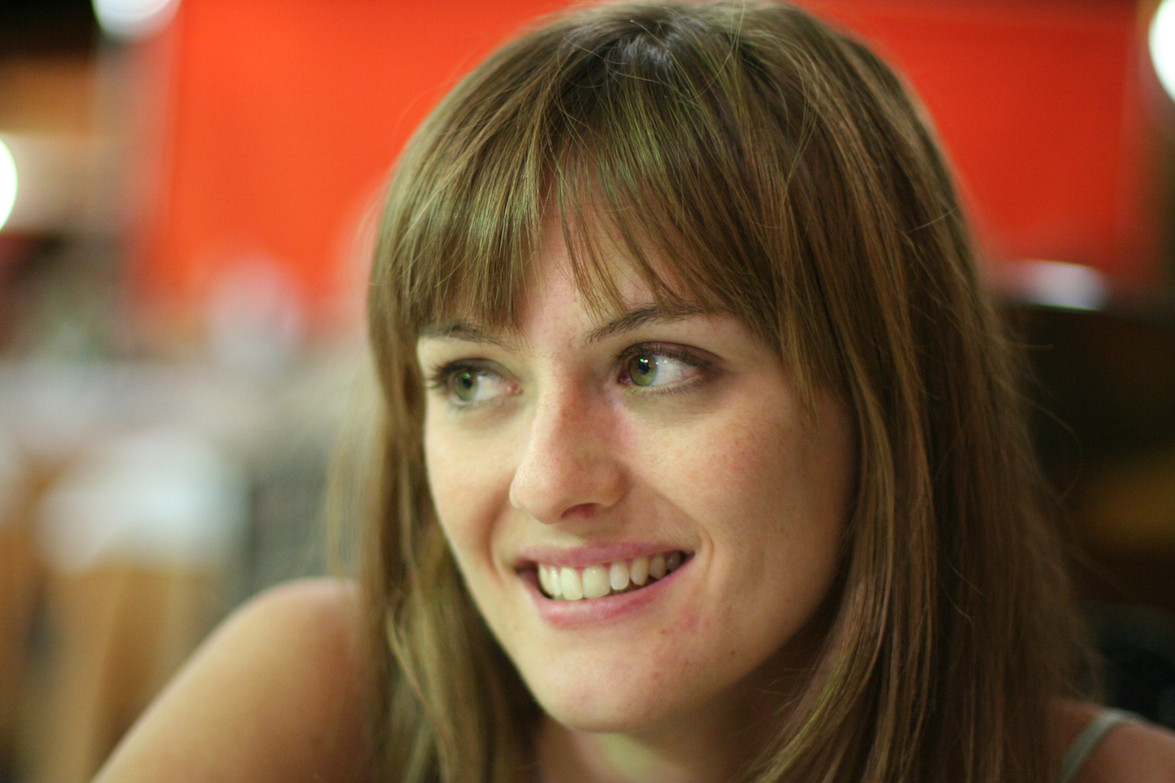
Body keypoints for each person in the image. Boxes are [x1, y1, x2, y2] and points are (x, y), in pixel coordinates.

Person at [94, 1, 1175, 782]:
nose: (547, 481)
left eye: (653, 365)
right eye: (472, 378)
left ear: (887, 399)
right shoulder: (323, 700)